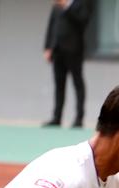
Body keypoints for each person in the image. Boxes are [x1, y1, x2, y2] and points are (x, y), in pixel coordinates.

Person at [43, 0, 92, 128]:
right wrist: (48, 47)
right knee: (59, 84)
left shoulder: (81, 4)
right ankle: (56, 117)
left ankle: (79, 118)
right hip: (57, 50)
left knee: (77, 83)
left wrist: (67, 7)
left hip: (74, 50)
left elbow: (83, 22)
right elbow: (51, 26)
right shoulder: (56, 6)